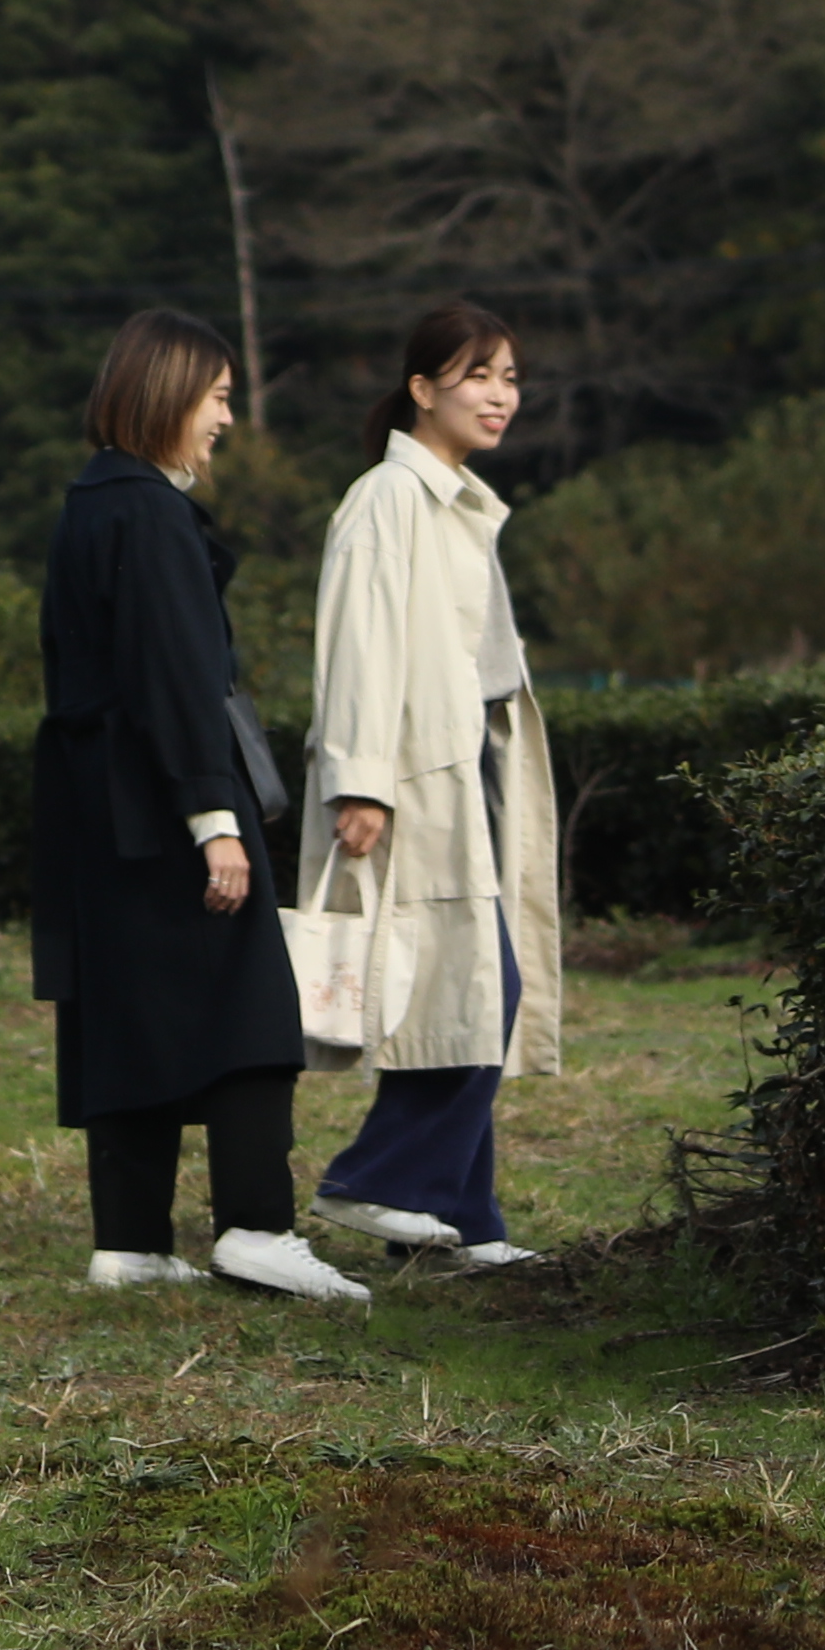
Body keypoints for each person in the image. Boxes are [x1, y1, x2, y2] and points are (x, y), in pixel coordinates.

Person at [28, 306, 364, 1305]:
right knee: (254, 1005)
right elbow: (177, 681)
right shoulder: (150, 513)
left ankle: (128, 1242)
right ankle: (258, 1225)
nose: (226, 418)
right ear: (169, 393)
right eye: (217, 397)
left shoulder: (90, 502)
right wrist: (215, 821)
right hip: (163, 801)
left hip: (99, 807)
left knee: (129, 1008)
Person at [309, 299, 567, 1272]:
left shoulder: (456, 498)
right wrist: (361, 781)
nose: (501, 395)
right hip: (413, 777)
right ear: (422, 389)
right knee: (474, 986)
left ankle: (464, 1219)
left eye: (510, 377)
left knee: (473, 984)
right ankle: (377, 1180)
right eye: (478, 376)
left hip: (467, 770)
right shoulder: (390, 497)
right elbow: (360, 643)